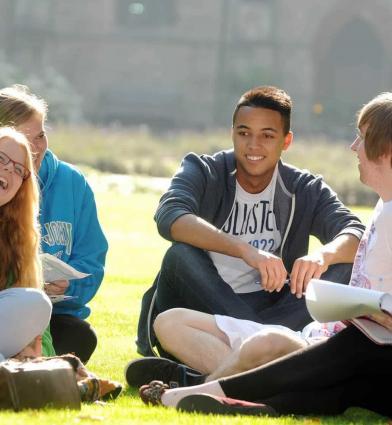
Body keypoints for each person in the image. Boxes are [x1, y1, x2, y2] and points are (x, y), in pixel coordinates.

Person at [137, 92, 392, 418]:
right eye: (244, 133)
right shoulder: (204, 170)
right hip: (213, 299)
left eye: (267, 136)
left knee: (338, 270)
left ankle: (204, 380)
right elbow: (170, 215)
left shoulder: (305, 187)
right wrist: (247, 251)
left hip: (280, 311)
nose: (253, 145)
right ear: (232, 133)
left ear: (286, 141)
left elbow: (351, 230)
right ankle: (272, 361)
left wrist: (322, 256)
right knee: (179, 261)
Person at [0, 85, 108, 364]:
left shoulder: (71, 183)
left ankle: (31, 369)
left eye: (41, 136)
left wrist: (67, 287)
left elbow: (93, 262)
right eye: (25, 139)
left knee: (77, 335)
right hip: (10, 309)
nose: (35, 148)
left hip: (46, 315)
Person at [0, 126, 53, 360]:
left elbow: (35, 325)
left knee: (34, 302)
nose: (7, 169)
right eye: (1, 158)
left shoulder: (15, 237)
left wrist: (38, 353)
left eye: (18, 169)